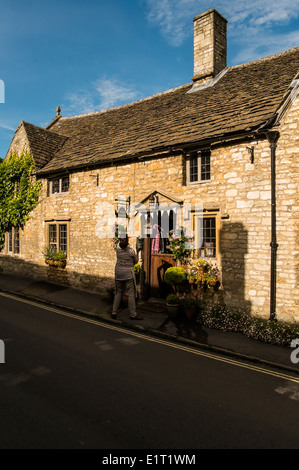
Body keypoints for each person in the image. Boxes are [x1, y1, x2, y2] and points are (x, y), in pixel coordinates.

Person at [111, 236, 143, 320]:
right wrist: (138, 250)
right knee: (131, 294)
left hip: (118, 272)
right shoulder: (131, 251)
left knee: (118, 292)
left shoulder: (117, 248)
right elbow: (135, 262)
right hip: (128, 274)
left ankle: (114, 312)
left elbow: (121, 242)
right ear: (128, 241)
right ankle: (133, 314)